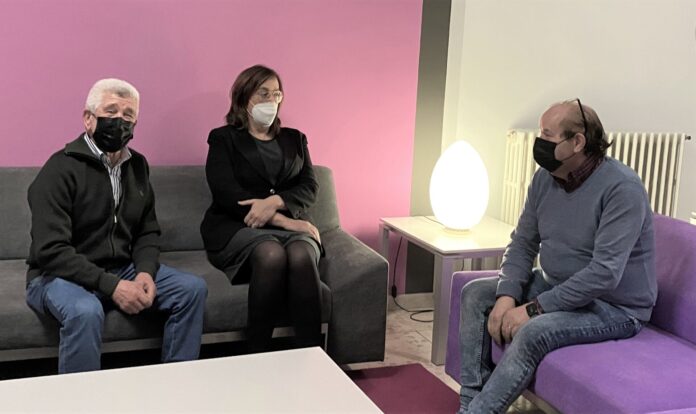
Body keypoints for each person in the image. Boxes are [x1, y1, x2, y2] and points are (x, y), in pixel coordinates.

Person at [457, 99, 656, 413]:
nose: (539, 143)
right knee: (475, 294)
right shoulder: (544, 179)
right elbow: (523, 242)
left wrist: (533, 309)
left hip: (613, 307)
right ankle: (469, 403)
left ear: (577, 142)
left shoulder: (623, 189)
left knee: (532, 330)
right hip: (555, 285)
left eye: (547, 135)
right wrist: (507, 295)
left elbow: (604, 274)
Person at [26, 78, 208, 374]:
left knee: (192, 289)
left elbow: (147, 230)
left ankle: (177, 385)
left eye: (128, 115)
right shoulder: (58, 169)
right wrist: (112, 286)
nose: (120, 121)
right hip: (57, 275)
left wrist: (145, 271)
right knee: (85, 311)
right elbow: (50, 251)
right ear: (88, 119)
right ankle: (82, 397)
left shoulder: (137, 166)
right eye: (111, 112)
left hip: (121, 268)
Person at [201, 65, 323, 352]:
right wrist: (286, 222)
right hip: (239, 226)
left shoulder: (295, 139)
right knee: (271, 254)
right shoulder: (222, 138)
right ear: (244, 98)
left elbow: (309, 187)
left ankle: (312, 356)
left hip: (294, 229)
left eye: (276, 94)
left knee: (301, 255)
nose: (271, 100)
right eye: (263, 93)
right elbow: (226, 194)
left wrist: (274, 202)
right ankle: (257, 355)